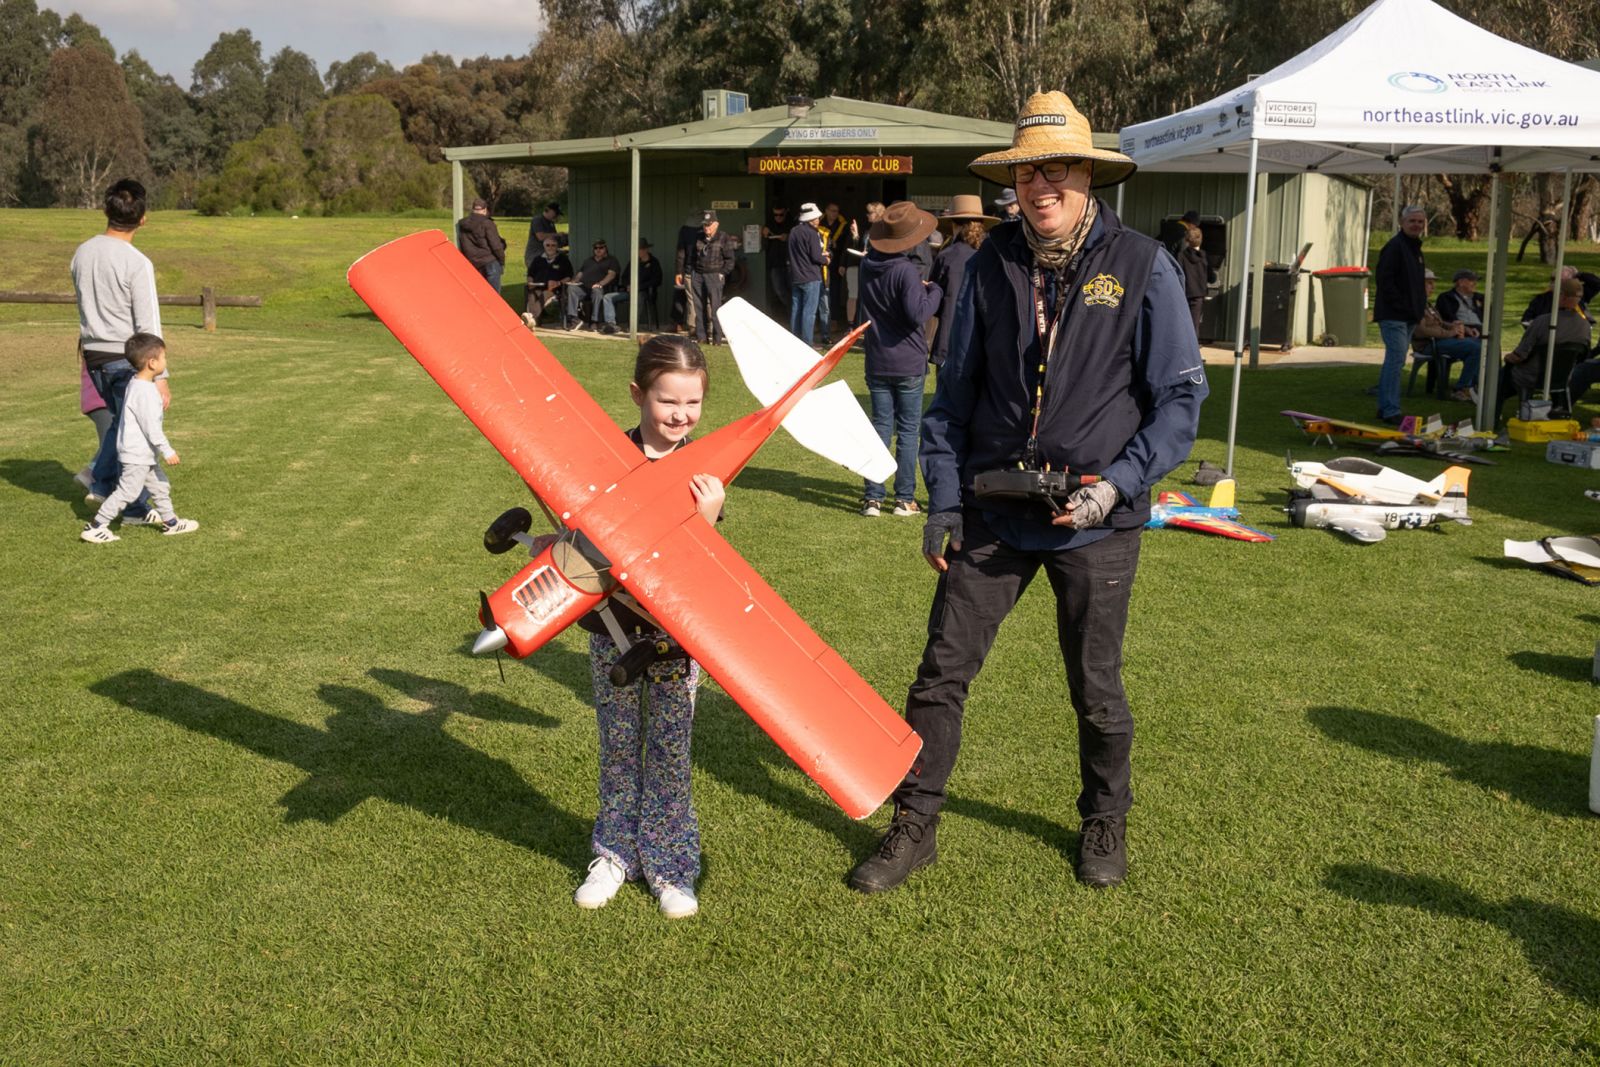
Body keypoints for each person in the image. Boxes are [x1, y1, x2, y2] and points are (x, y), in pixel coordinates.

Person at [847, 90, 1206, 895]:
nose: (1041, 185)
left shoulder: (1145, 265)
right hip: (993, 511)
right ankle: (915, 823)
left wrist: (1117, 486)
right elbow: (952, 397)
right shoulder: (983, 266)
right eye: (1027, 171)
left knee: (1096, 685)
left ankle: (1104, 815)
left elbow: (1181, 397)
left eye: (1058, 169)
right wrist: (942, 501)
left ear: (1088, 175)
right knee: (939, 674)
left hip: (1097, 520)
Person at [560, 335, 724, 919]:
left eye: (693, 404)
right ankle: (614, 854)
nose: (680, 416)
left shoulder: (704, 474)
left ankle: (671, 866)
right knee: (619, 746)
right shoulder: (607, 460)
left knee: (671, 752)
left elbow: (702, 570)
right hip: (611, 632)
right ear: (637, 395)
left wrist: (706, 519)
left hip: (676, 642)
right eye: (666, 402)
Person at [73, 177, 167, 523]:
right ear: (143, 218)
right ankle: (98, 476)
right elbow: (148, 324)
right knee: (136, 431)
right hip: (125, 358)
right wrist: (160, 376)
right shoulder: (137, 262)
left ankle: (136, 508)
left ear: (105, 210)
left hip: (93, 356)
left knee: (120, 426)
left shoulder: (82, 252)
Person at [858, 202, 943, 517]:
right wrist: (934, 290)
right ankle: (904, 498)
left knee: (880, 428)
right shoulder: (905, 270)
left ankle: (872, 497)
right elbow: (918, 314)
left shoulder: (869, 266)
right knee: (907, 431)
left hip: (878, 358)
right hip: (907, 361)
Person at [80, 334, 199, 543]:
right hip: (137, 455)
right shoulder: (146, 392)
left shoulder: (135, 383)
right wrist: (167, 450)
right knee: (127, 491)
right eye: (164, 358)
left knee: (160, 485)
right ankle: (96, 526)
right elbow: (151, 427)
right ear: (152, 363)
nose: (165, 362)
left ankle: (171, 522)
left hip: (142, 455)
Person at [1500, 277, 1593, 418]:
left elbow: (1520, 355)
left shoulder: (1543, 322)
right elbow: (1583, 355)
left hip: (1533, 375)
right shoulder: (1585, 326)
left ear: (1561, 296)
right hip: (1563, 376)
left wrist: (1507, 357)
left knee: (1505, 373)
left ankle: (1491, 410)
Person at [1373, 205, 1428, 425]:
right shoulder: (1395, 247)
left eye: (1420, 222)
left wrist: (1419, 307)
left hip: (1409, 316)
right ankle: (1390, 409)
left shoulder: (1415, 248)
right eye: (1412, 221)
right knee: (1395, 361)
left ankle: (1385, 406)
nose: (1416, 225)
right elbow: (1385, 280)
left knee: (1396, 361)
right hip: (1394, 315)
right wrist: (1403, 306)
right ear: (1402, 223)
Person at [929, 195, 997, 367]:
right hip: (983, 337)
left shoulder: (947, 255)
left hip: (950, 336)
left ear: (954, 225)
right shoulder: (993, 255)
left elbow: (934, 300)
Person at [1411, 270, 1480, 401]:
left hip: (1438, 341)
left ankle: (1472, 386)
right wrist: (1451, 332)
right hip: (1428, 345)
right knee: (1476, 348)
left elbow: (1440, 323)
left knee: (1479, 344)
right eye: (1429, 283)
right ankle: (1462, 388)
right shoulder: (1416, 304)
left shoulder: (1426, 303)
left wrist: (1459, 327)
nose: (1433, 287)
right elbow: (1422, 331)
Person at [675, 210, 740, 346]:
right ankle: (702, 338)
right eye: (705, 225)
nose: (706, 228)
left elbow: (730, 259)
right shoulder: (698, 237)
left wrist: (722, 273)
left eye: (709, 225)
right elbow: (691, 256)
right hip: (698, 275)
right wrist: (693, 272)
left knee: (715, 308)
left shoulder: (723, 237)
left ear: (716, 224)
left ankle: (717, 339)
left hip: (714, 275)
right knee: (699, 308)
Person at [1431, 268, 1484, 398]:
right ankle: (1465, 387)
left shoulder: (1480, 298)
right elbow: (1447, 318)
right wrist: (1463, 328)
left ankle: (1479, 385)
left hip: (1480, 330)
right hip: (1458, 332)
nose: (1475, 284)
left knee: (1490, 346)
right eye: (1472, 281)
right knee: (1478, 347)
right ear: (1460, 282)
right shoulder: (1446, 297)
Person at [602, 239, 665, 333]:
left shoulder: (654, 262)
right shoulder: (634, 261)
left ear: (646, 250)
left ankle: (633, 326)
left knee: (638, 296)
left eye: (640, 249)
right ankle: (611, 324)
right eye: (637, 249)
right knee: (608, 297)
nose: (638, 252)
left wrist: (638, 287)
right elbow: (624, 277)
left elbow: (657, 280)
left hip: (645, 292)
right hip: (630, 291)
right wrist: (628, 285)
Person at [788, 203, 828, 346]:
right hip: (811, 276)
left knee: (796, 309)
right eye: (817, 218)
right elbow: (816, 257)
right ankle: (807, 342)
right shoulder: (812, 233)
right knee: (809, 312)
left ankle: (794, 341)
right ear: (812, 219)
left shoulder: (793, 231)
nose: (819, 220)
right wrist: (827, 260)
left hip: (796, 276)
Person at [564, 238, 621, 330]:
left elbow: (611, 275)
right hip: (585, 287)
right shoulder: (588, 261)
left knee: (596, 291)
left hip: (601, 287)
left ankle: (594, 321)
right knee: (571, 288)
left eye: (601, 247)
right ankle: (574, 319)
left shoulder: (612, 260)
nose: (598, 250)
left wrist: (600, 283)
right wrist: (574, 281)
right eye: (596, 248)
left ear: (606, 248)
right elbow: (580, 273)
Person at [1520, 264, 1600, 326]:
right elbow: (1526, 320)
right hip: (1545, 337)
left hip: (1573, 335)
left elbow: (1597, 283)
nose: (1555, 282)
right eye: (1554, 279)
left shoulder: (1578, 295)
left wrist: (1578, 274)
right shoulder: (1541, 299)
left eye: (1563, 280)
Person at [456, 198, 507, 294]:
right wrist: (501, 260)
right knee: (494, 297)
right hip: (490, 262)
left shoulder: (462, 224)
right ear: (484, 210)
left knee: (480, 296)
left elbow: (462, 245)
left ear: (472, 209)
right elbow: (496, 246)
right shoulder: (487, 223)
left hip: (473, 264)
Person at [845, 202, 885, 324]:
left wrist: (870, 255)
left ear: (877, 213)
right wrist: (856, 235)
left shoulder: (883, 229)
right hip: (865, 266)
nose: (867, 215)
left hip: (875, 269)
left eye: (870, 212)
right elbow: (863, 247)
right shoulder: (869, 230)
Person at [523, 236, 574, 327]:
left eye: (553, 245)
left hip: (554, 289)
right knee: (532, 296)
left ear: (557, 247)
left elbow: (569, 276)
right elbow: (530, 274)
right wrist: (530, 282)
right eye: (548, 245)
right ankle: (534, 321)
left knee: (545, 295)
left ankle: (531, 318)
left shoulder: (563, 259)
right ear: (544, 247)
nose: (550, 247)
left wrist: (558, 283)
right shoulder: (538, 259)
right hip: (537, 286)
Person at [820, 203, 850, 338]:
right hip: (820, 261)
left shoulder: (843, 225)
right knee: (821, 291)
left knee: (835, 291)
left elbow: (845, 246)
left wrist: (842, 263)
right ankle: (821, 322)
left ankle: (834, 320)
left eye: (837, 211)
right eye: (832, 210)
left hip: (836, 262)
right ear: (826, 211)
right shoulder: (819, 222)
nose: (835, 213)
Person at [1176, 222, 1211, 332]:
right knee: (1194, 324)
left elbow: (1178, 274)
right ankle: (1193, 347)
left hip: (1183, 293)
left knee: (1181, 322)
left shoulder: (1181, 256)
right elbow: (1211, 277)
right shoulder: (1204, 256)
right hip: (1198, 295)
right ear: (1201, 239)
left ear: (1186, 240)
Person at [762, 204, 794, 316]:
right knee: (779, 290)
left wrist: (789, 237)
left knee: (793, 290)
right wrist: (764, 235)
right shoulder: (769, 224)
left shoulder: (792, 224)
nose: (778, 217)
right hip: (775, 263)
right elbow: (764, 244)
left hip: (790, 262)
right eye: (776, 215)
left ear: (785, 213)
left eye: (781, 214)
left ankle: (793, 314)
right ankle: (791, 310)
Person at [523, 202, 565, 270]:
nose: (556, 215)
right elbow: (541, 237)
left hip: (547, 255)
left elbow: (554, 241)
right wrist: (558, 234)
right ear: (548, 210)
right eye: (555, 213)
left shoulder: (551, 223)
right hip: (534, 256)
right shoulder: (538, 220)